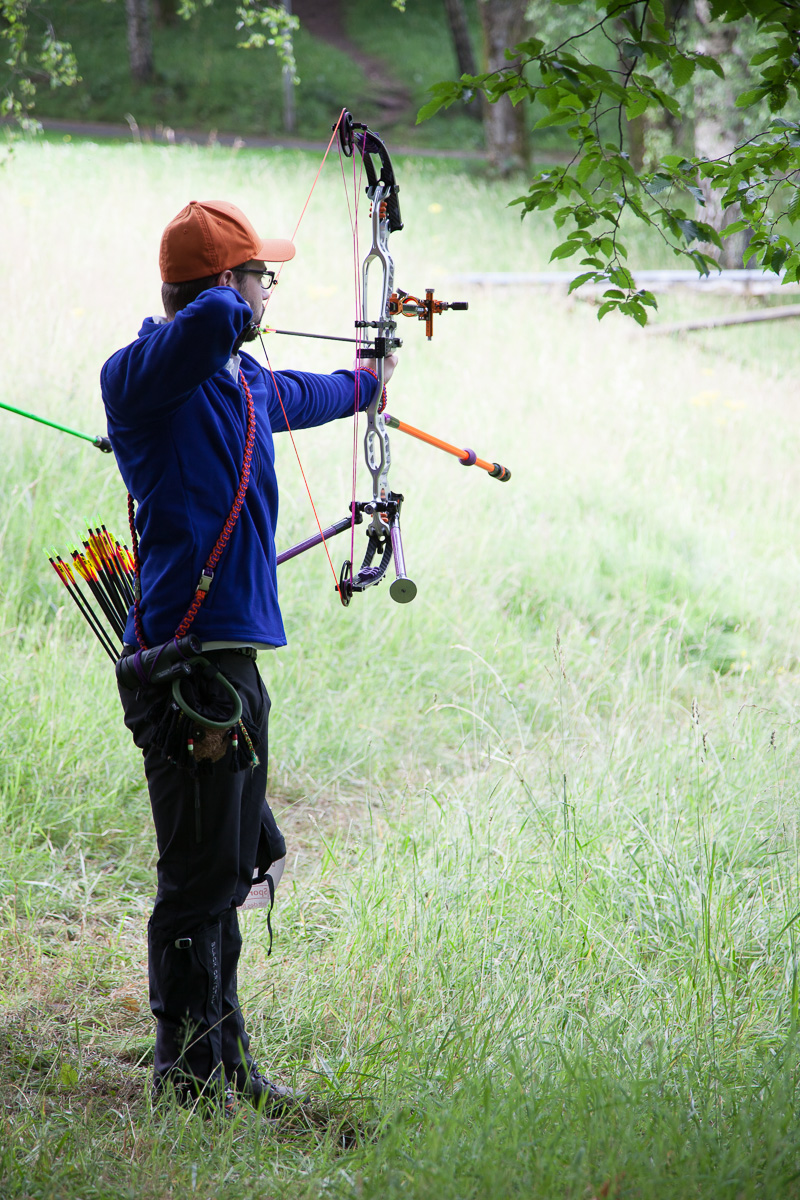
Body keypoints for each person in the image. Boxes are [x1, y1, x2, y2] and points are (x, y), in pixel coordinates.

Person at [101, 199, 396, 1113]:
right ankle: (185, 1075)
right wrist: (233, 297)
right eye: (263, 275)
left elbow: (310, 392)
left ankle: (226, 1063)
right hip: (184, 669)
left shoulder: (243, 384)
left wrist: (371, 378)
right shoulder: (141, 378)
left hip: (232, 667)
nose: (271, 291)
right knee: (195, 879)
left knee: (227, 871)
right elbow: (210, 325)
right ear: (227, 284)